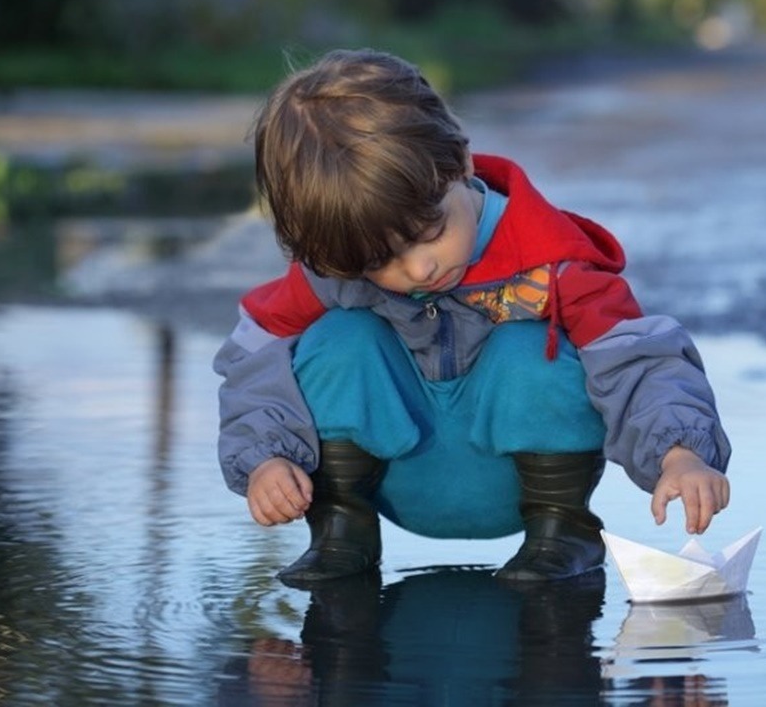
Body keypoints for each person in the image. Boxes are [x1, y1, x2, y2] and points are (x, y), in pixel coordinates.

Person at [215, 48, 731, 587]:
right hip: (399, 481)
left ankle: (564, 533)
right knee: (339, 339)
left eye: (430, 233)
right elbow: (253, 351)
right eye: (378, 262)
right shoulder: (337, 267)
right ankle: (342, 531)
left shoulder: (551, 261)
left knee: (531, 349)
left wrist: (680, 452)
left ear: (459, 164)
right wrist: (266, 458)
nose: (418, 268)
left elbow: (637, 358)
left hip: (516, 483)